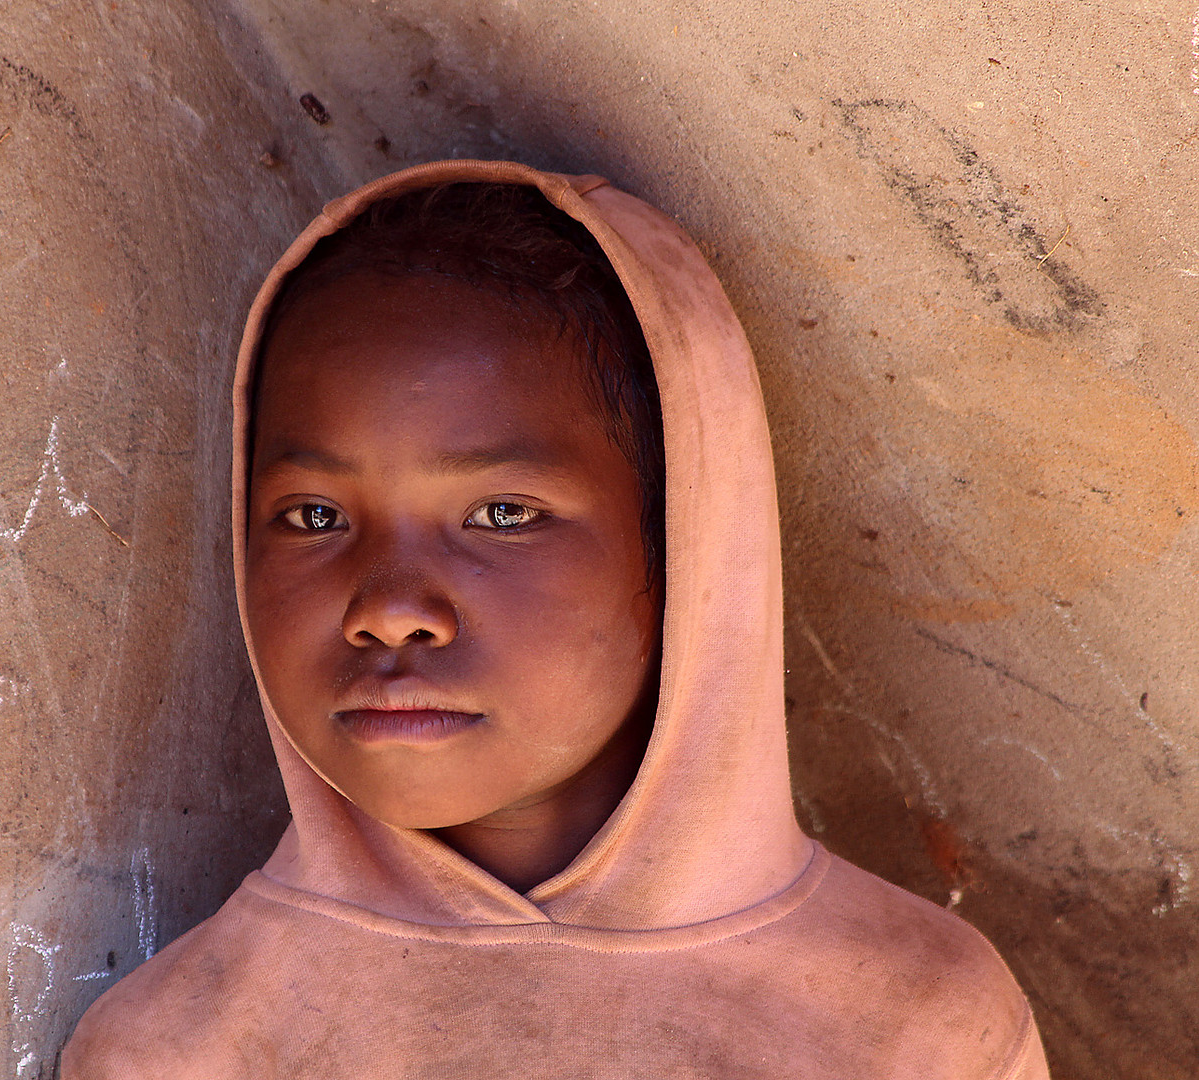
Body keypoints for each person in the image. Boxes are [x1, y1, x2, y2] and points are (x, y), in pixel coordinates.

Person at [62, 159, 1049, 1078]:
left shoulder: (911, 1024)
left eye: (502, 515)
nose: (389, 610)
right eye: (314, 517)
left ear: (686, 543)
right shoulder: (181, 1046)